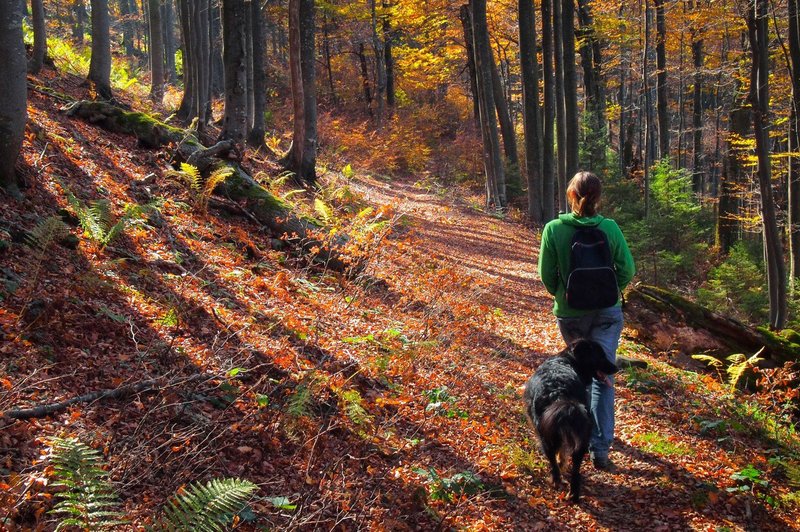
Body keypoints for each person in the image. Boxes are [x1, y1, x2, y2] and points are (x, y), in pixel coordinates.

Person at [537, 171, 635, 470]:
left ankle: (573, 437)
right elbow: (627, 269)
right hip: (607, 312)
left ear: (571, 196)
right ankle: (601, 449)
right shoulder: (610, 227)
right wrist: (608, 293)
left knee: (581, 374)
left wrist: (565, 296)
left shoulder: (554, 229)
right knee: (604, 378)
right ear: (598, 197)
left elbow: (546, 275)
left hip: (571, 315)